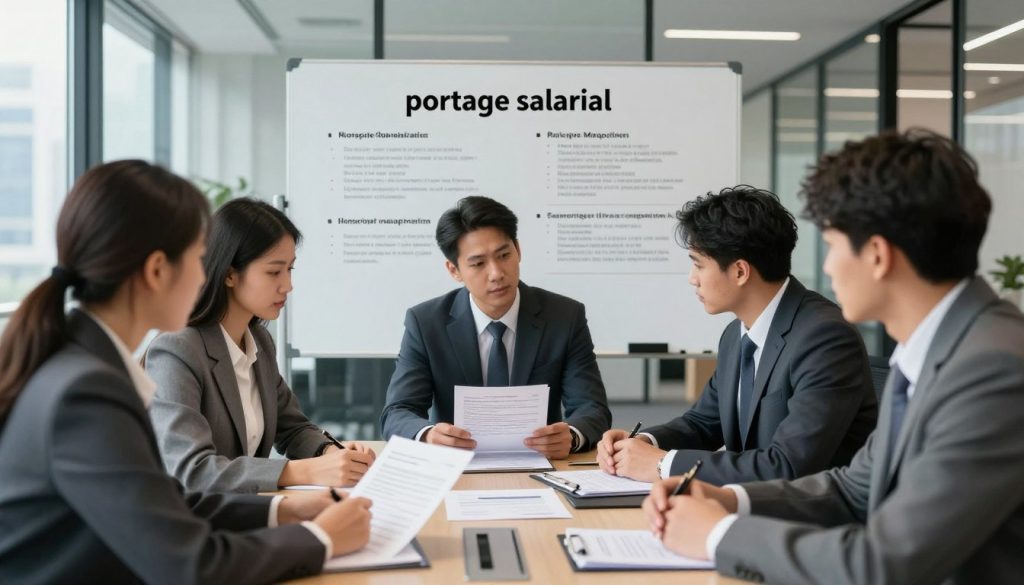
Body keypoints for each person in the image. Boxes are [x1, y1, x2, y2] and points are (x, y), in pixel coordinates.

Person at [643, 129, 1024, 585]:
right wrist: (728, 500)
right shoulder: (933, 347)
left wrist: (718, 535)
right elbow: (851, 489)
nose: (826, 267)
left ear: (878, 255)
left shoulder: (993, 368)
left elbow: (884, 563)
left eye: (834, 245)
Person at [0, 161, 372, 584]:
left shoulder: (82, 365)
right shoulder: (85, 392)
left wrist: (281, 509)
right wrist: (319, 539)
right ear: (157, 270)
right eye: (198, 258)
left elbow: (160, 501)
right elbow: (190, 565)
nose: (205, 273)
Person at [597, 185, 877, 484]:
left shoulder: (824, 338)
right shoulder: (736, 334)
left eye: (698, 264)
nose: (692, 279)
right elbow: (703, 423)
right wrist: (644, 443)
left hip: (807, 520)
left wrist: (662, 464)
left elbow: (787, 466)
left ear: (740, 272)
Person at [146, 198, 375, 493]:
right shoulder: (177, 350)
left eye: (290, 269)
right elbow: (192, 470)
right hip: (191, 527)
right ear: (229, 274)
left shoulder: (260, 343)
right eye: (273, 272)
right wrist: (302, 471)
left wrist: (330, 454)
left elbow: (291, 427)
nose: (288, 285)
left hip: (247, 514)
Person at [380, 195, 611, 458]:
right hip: (456, 467)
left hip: (542, 464)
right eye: (478, 263)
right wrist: (429, 435)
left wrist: (571, 435)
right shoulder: (426, 323)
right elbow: (397, 412)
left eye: (504, 255)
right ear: (454, 270)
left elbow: (592, 408)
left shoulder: (565, 317)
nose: (496, 273)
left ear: (518, 250)